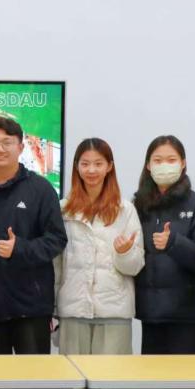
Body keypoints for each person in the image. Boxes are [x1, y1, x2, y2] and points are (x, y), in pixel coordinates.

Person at [0, 116, 67, 354]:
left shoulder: (41, 189)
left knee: (33, 376)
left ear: (20, 147)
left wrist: (20, 248)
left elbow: (57, 239)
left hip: (31, 307)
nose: (0, 149)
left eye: (7, 142)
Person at [55, 137, 143, 356]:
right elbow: (56, 265)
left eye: (98, 163)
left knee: (111, 376)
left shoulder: (125, 210)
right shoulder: (62, 209)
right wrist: (52, 309)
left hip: (114, 312)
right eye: (85, 164)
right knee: (72, 377)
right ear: (76, 167)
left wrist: (124, 253)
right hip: (73, 310)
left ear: (109, 166)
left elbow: (135, 267)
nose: (91, 170)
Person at [133, 135, 195, 354]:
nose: (164, 165)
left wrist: (174, 243)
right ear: (148, 165)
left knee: (188, 375)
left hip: (190, 316)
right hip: (152, 314)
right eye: (158, 160)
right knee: (151, 375)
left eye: (171, 160)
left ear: (183, 163)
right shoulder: (139, 206)